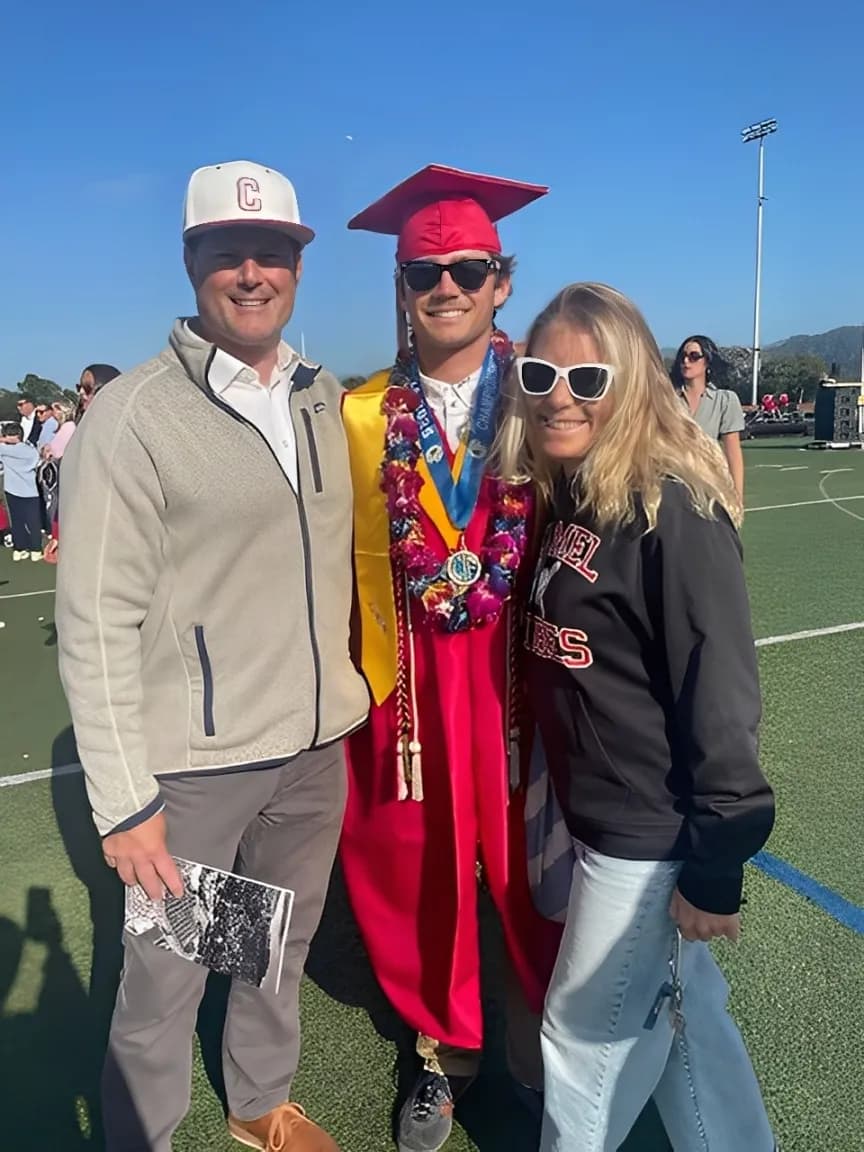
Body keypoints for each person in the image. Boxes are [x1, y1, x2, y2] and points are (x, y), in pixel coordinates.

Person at [56, 159, 369, 1152]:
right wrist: (126, 800)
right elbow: (98, 613)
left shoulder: (325, 398)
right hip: (194, 770)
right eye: (227, 252)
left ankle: (257, 1105)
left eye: (271, 251)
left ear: (297, 265)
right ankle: (141, 1137)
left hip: (312, 750)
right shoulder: (134, 414)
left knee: (271, 949)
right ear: (192, 262)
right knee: (164, 979)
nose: (251, 271)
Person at [495, 282, 777, 1151]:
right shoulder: (576, 491)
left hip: (646, 835)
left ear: (635, 381)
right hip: (605, 820)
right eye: (542, 374)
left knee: (582, 1045)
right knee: (688, 1026)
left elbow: (720, 690)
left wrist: (717, 862)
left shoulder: (672, 507)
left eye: (591, 377)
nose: (562, 397)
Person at [341, 165, 562, 1152]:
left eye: (467, 269)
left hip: (526, 685)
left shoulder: (546, 404)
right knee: (416, 869)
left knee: (540, 869)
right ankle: (443, 1051)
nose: (445, 287)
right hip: (412, 698)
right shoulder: (354, 417)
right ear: (401, 287)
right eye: (423, 271)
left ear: (501, 281)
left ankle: (544, 1047)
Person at [670, 335, 745, 500]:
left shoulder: (725, 400)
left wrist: (737, 497)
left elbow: (733, 453)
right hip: (672, 490)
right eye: (683, 356)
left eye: (694, 356)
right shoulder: (666, 400)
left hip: (710, 490)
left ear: (708, 362)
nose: (686, 361)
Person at [0, 421, 42, 560]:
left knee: (17, 521)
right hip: (30, 491)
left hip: (12, 490)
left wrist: (4, 440)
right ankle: (35, 550)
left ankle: (19, 549)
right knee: (33, 521)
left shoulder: (5, 450)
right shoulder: (30, 451)